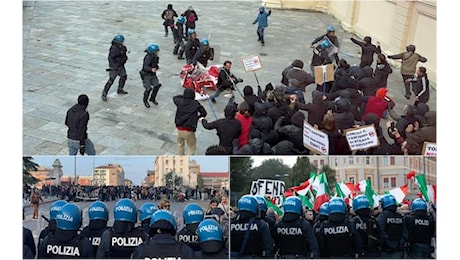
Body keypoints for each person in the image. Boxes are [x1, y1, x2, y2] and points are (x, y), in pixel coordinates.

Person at [173, 88, 207, 155]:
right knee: (191, 147)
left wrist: (184, 96)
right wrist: (198, 118)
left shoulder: (180, 102)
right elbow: (204, 113)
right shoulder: (195, 104)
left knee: (180, 145)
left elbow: (175, 97)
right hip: (189, 130)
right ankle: (188, 161)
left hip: (179, 129)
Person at [376, 194, 407, 258]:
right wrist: (399, 244)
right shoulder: (400, 217)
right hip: (399, 250)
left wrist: (389, 244)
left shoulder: (382, 216)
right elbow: (405, 233)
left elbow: (381, 232)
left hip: (387, 251)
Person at [101, 34, 128, 102]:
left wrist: (125, 59)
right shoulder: (114, 48)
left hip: (121, 66)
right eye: (122, 41)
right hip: (115, 67)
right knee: (111, 80)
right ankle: (104, 93)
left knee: (124, 76)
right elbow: (110, 58)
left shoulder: (122, 47)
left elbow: (124, 55)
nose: (123, 42)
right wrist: (114, 66)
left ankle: (120, 89)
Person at [140, 43, 162, 108]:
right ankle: (145, 100)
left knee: (157, 86)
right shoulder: (147, 57)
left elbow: (156, 65)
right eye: (156, 51)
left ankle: (152, 98)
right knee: (148, 88)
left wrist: (156, 67)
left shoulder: (156, 57)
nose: (157, 53)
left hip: (153, 75)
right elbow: (145, 67)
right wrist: (151, 69)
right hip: (146, 75)